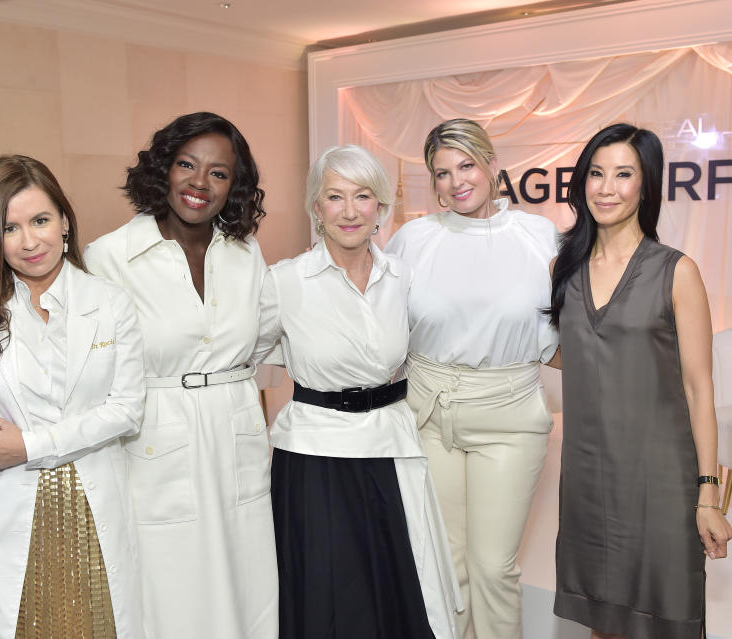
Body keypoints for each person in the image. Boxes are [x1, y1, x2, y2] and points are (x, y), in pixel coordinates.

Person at [0, 155, 146, 639]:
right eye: (10, 228)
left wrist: (28, 446)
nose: (30, 241)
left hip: (89, 505)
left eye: (41, 221)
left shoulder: (110, 303)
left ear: (64, 221)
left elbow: (126, 410)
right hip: (0, 501)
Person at [253, 144, 462, 639]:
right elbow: (253, 366)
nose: (350, 211)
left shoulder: (403, 280)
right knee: (327, 597)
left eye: (363, 196)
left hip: (389, 448)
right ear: (316, 209)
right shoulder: (284, 282)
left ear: (381, 209)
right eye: (335, 197)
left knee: (397, 591)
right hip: (313, 457)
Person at [84, 112, 277, 638]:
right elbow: (90, 368)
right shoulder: (109, 257)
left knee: (248, 581)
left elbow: (260, 339)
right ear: (162, 169)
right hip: (154, 442)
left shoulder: (245, 252)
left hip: (235, 432)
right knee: (170, 589)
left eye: (219, 173)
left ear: (234, 186)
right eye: (186, 164)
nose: (199, 183)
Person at [548, 123, 732, 639]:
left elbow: (699, 390)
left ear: (646, 185)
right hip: (587, 475)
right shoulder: (562, 269)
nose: (606, 188)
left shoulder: (677, 271)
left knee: (664, 616)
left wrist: (707, 495)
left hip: (659, 479)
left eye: (623, 174)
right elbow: (575, 357)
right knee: (602, 620)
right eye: (596, 173)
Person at [385, 118, 559, 639]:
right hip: (427, 412)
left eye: (466, 166)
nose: (456, 181)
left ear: (491, 165)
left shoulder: (539, 235)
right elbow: (384, 329)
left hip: (509, 413)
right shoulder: (412, 240)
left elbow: (567, 334)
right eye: (442, 172)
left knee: (492, 568)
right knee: (446, 565)